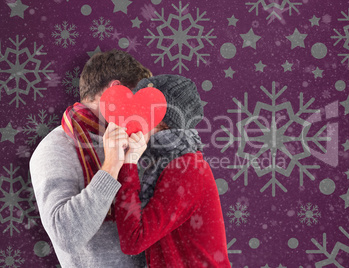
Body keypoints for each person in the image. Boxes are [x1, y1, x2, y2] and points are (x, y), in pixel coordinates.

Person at [29, 49, 151, 267]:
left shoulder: (136, 141)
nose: (142, 111)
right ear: (117, 91)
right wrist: (111, 165)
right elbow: (66, 236)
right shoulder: (53, 149)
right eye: (138, 99)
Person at [114, 74, 231, 267]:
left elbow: (133, 241)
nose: (128, 120)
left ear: (163, 121)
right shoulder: (168, 163)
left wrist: (128, 163)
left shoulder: (186, 168)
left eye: (139, 111)